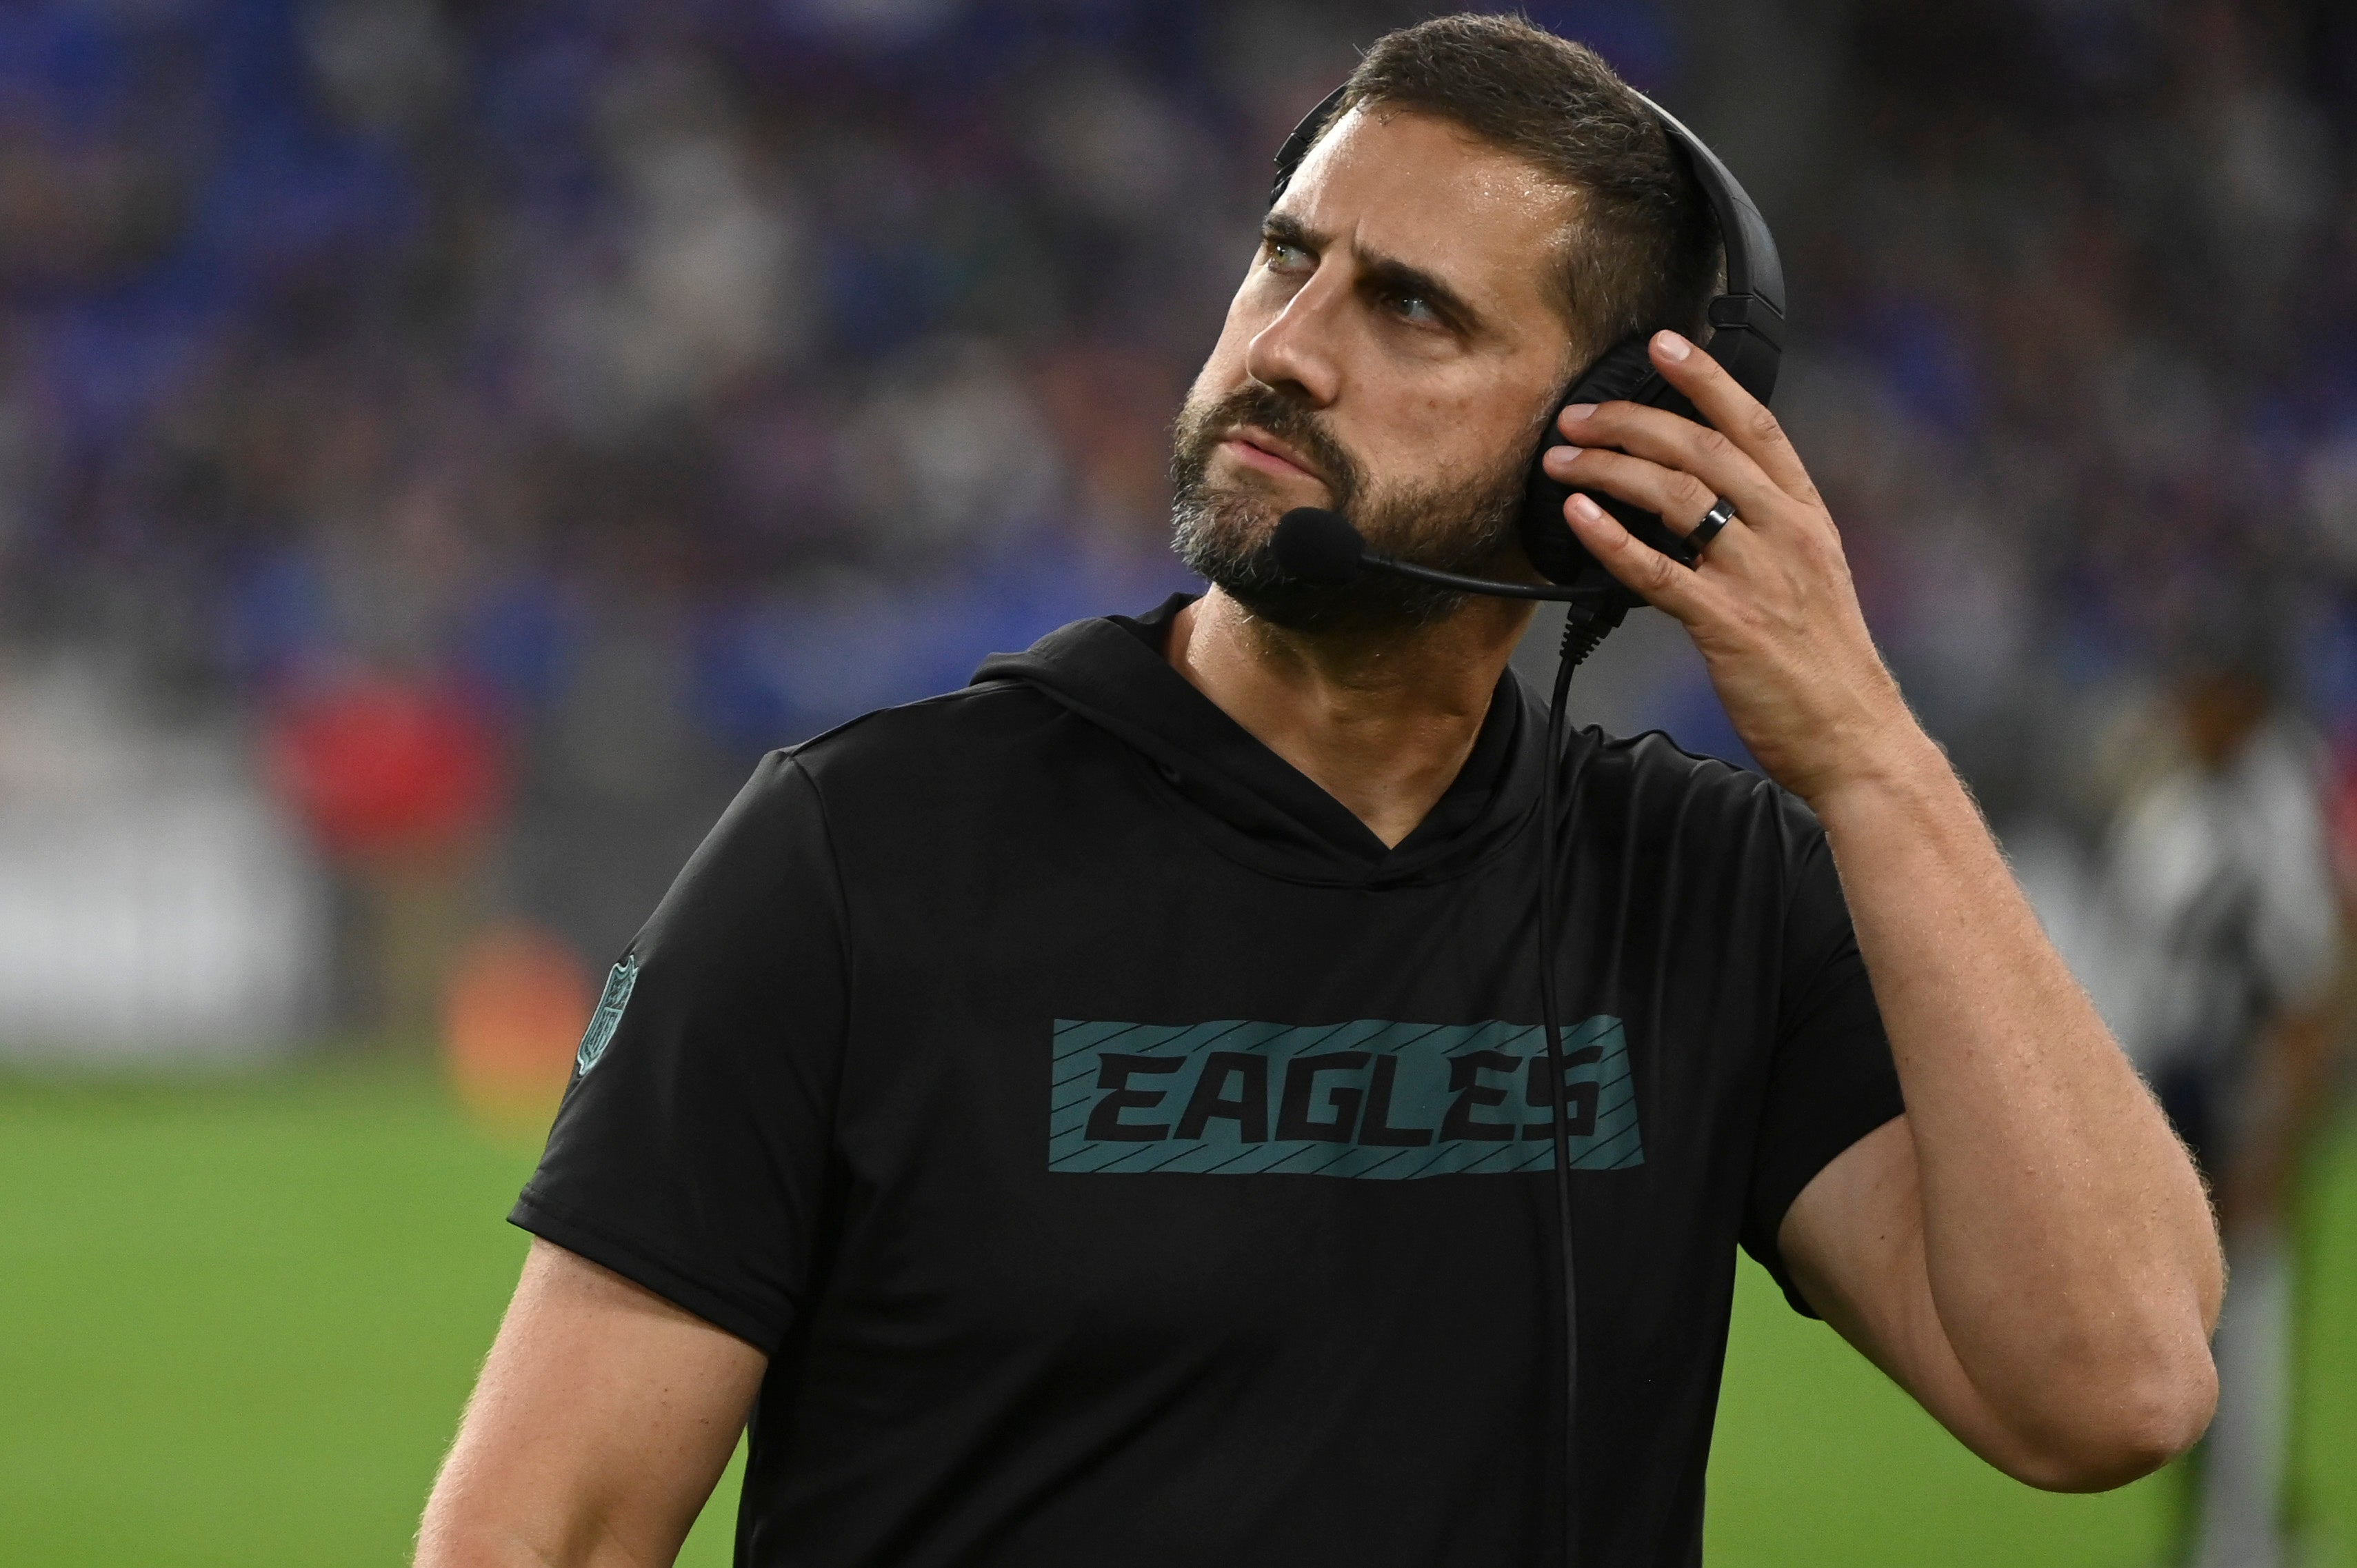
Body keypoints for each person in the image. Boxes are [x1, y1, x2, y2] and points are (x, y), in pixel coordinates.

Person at [416, 17, 2222, 1567]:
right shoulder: (857, 856)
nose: (1289, 344)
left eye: (1411, 310)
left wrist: (1865, 750)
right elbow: (533, 1534)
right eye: (1289, 258)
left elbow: (2113, 1384)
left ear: (1620, 453)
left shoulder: (1707, 895)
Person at [2102, 630, 2344, 1568]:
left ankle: (2240, 1536)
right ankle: (2222, 1525)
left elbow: (2305, 984)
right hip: (2173, 1095)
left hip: (2235, 1105)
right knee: (2178, 1330)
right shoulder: (2182, 803)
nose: (2184, 717)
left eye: (2203, 697)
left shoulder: (2269, 807)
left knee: (2241, 1328)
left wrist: (2274, 1127)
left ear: (2238, 703)